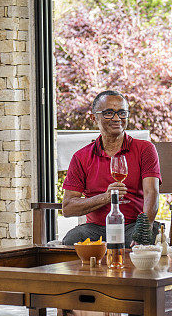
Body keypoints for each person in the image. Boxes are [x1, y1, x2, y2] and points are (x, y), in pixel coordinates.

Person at [61, 90, 161, 246]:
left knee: (148, 236)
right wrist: (106, 197)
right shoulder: (81, 157)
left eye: (122, 113)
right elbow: (68, 208)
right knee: (72, 240)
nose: (117, 118)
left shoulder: (145, 149)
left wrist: (144, 228)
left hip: (132, 225)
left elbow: (151, 192)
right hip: (96, 229)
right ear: (94, 118)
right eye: (108, 113)